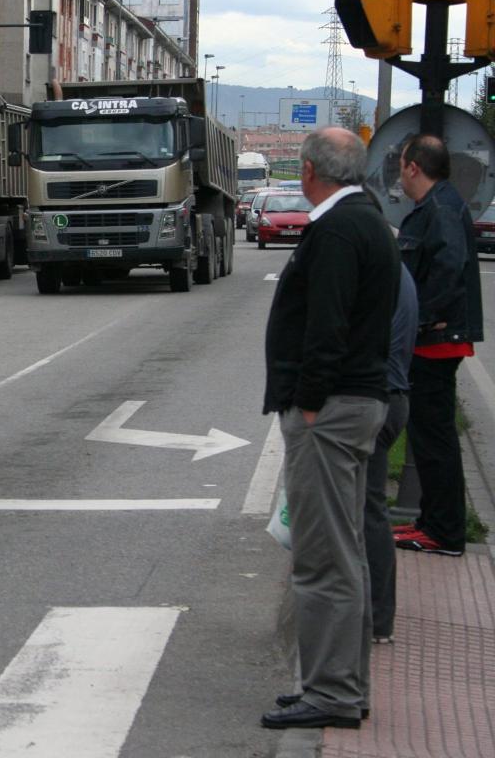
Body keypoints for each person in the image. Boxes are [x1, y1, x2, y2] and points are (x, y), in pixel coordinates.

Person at [260, 127, 400, 730]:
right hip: (352, 401)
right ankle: (340, 685)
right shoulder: (363, 219)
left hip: (334, 407)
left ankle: (332, 693)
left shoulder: (341, 228)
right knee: (343, 552)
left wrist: (310, 403)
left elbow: (328, 324)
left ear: (313, 171)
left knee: (323, 558)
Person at [394, 135, 484, 557]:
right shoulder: (438, 205)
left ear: (414, 167)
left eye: (401, 165)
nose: (398, 173)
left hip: (435, 341)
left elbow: (448, 267)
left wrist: (423, 319)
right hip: (433, 339)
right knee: (431, 436)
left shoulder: (441, 209)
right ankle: (433, 521)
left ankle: (444, 531)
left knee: (434, 439)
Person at [365, 264, 416, 643]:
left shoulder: (379, 273)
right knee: (370, 510)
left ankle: (374, 619)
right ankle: (377, 618)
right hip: (392, 396)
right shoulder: (398, 271)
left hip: (375, 399)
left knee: (365, 513)